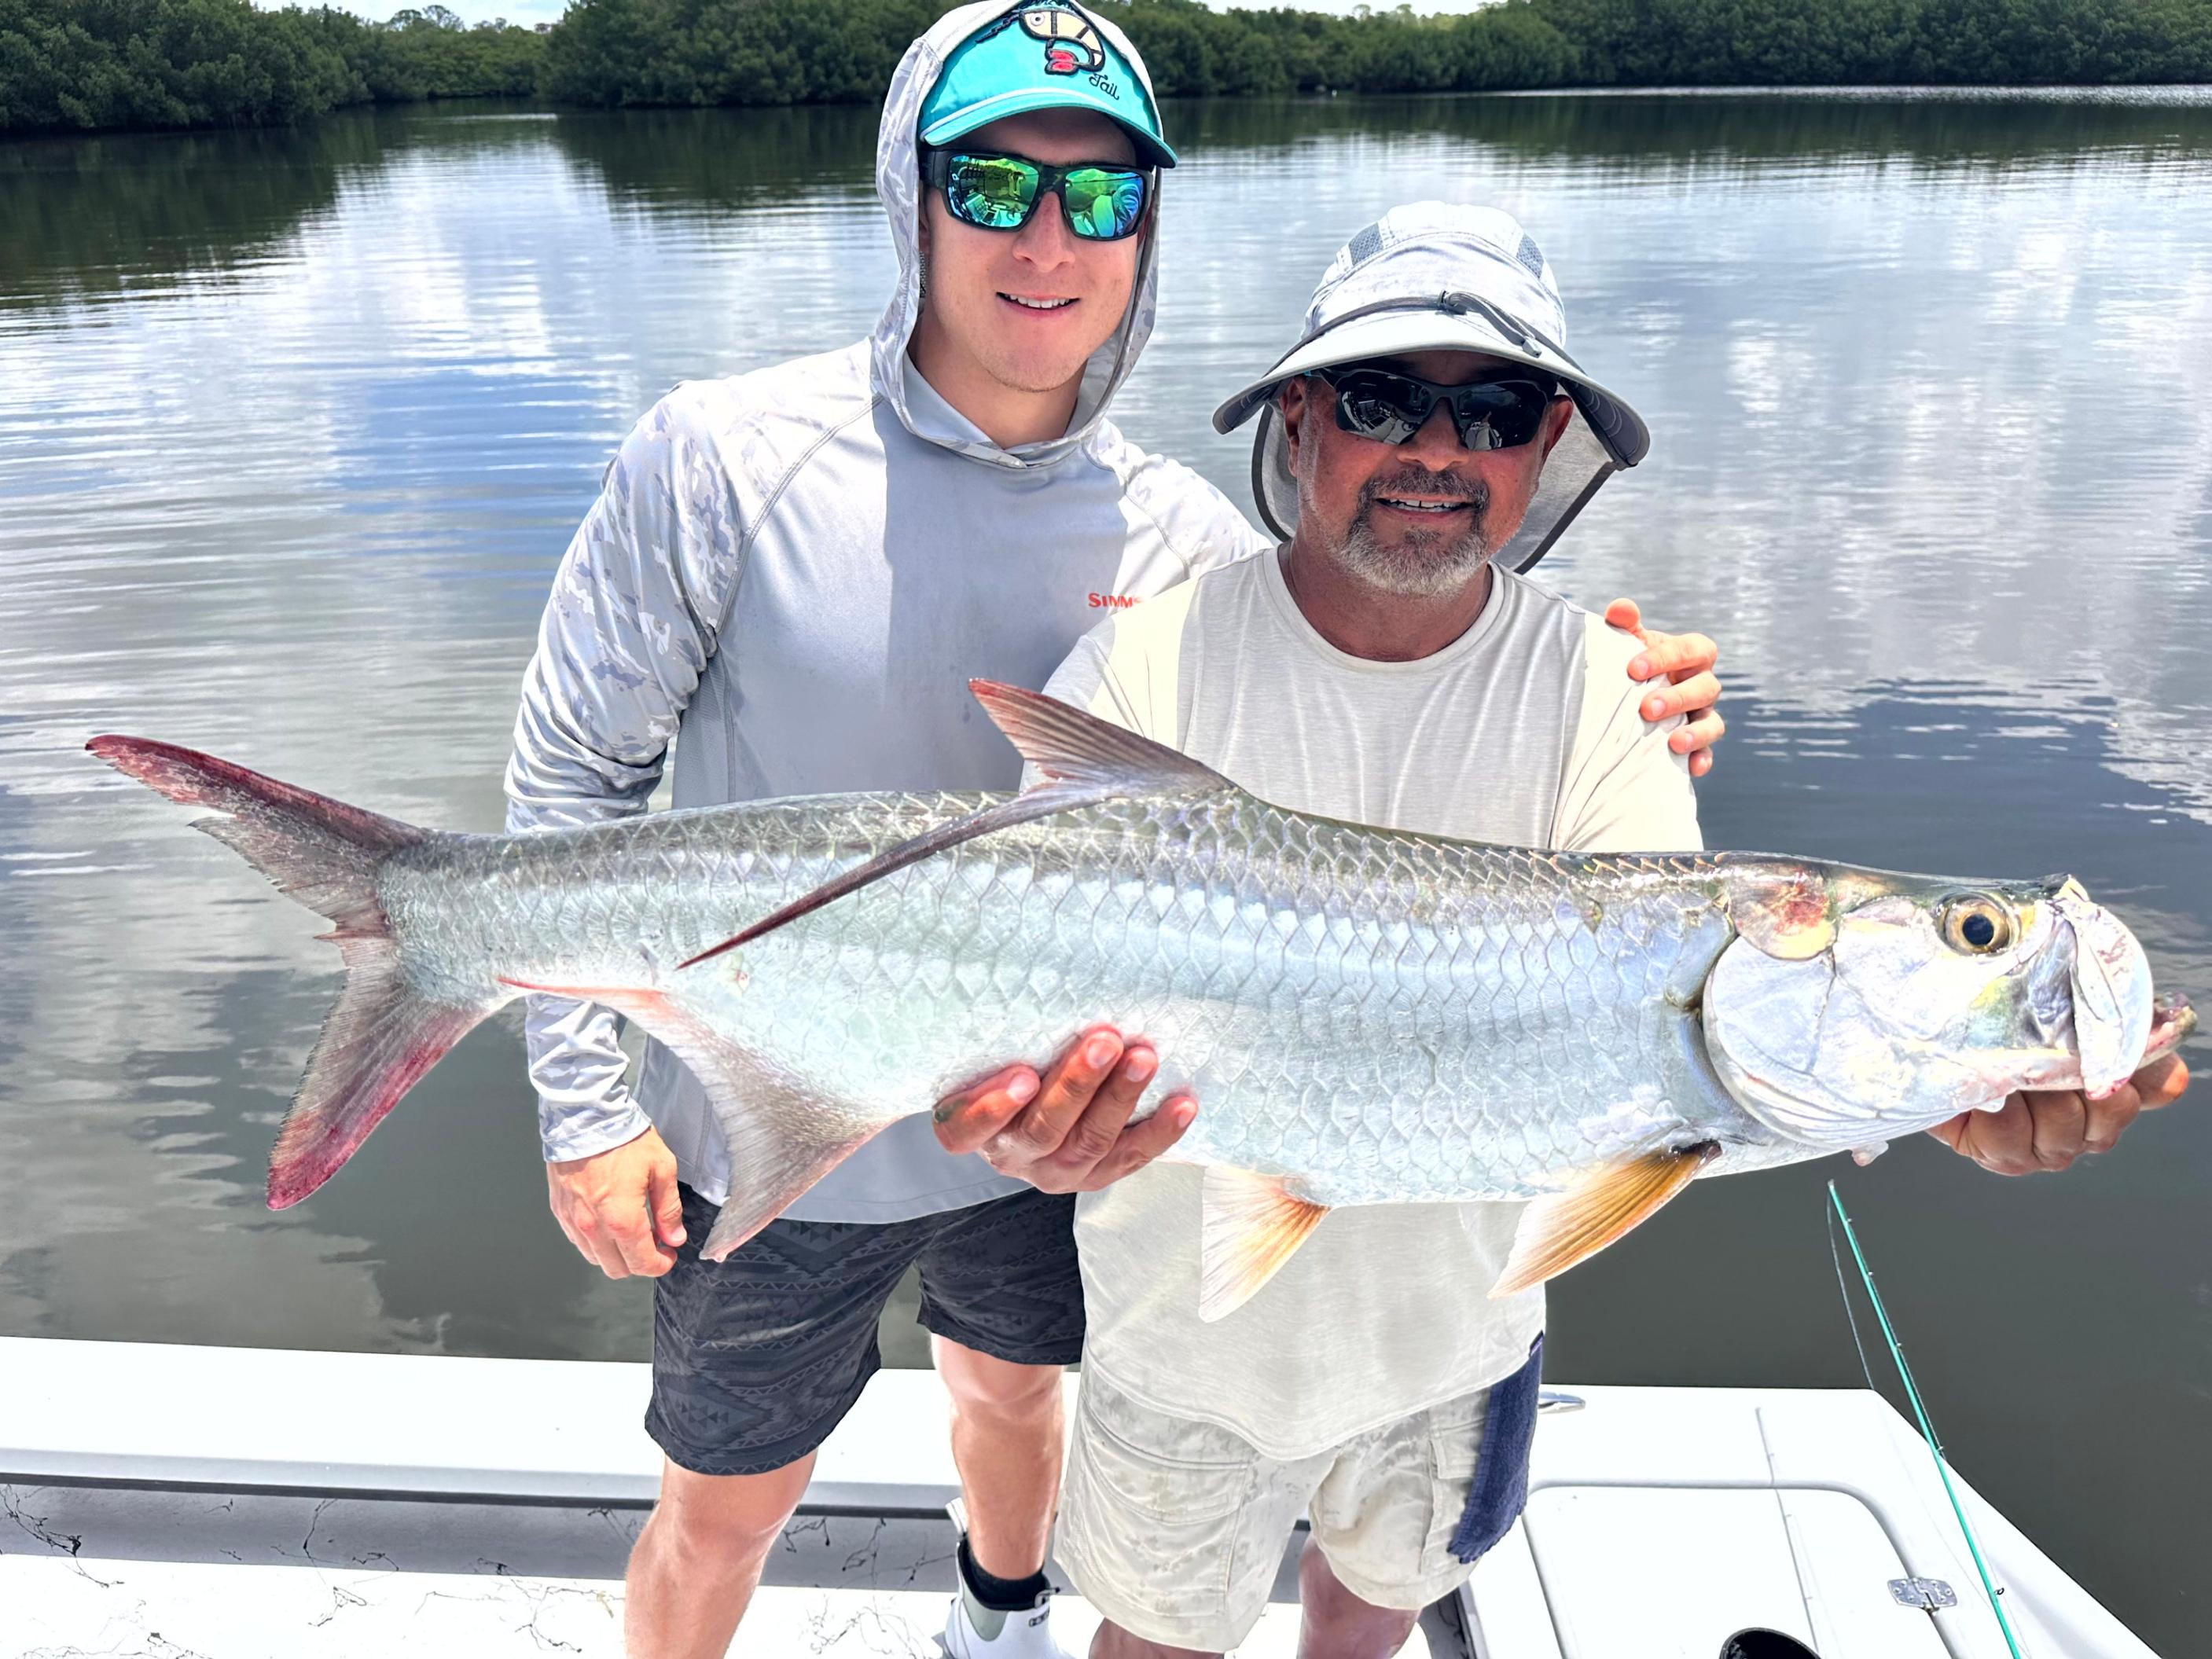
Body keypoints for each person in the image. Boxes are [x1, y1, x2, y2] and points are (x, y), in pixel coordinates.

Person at [504, 8, 1723, 1655]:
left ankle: (997, 1622)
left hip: (1069, 1114)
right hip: (773, 1095)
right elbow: (573, 779)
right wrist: (587, 1108)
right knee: (723, 1508)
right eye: (994, 185)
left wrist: (1620, 678)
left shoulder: (1185, 532)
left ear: (1152, 224)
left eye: (1105, 194)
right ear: (910, 198)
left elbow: (1330, 745)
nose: (1049, 239)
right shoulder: (722, 455)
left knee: (1018, 1416)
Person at [933, 202, 2194, 1659]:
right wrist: (1028, 1127)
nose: (1437, 450)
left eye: (1498, 409)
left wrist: (1944, 1092)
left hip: (1460, 1351)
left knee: (1374, 1619)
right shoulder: (1138, 666)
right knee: (1151, 1643)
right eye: (1381, 397)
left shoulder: (1606, 695)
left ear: (1545, 447)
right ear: (1300, 419)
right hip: (1180, 1337)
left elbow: (1695, 1057)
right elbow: (1017, 1015)